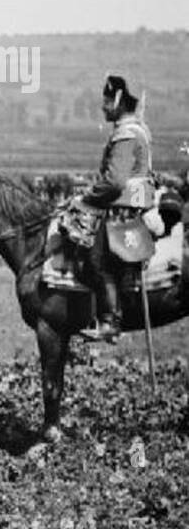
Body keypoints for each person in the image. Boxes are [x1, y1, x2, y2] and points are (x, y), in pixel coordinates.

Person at [75, 74, 154, 343]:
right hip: (131, 203)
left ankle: (110, 320)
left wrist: (87, 196)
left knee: (97, 260)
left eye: (107, 101)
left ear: (118, 101)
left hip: (125, 208)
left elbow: (115, 181)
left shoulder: (125, 134)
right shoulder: (133, 130)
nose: (103, 107)